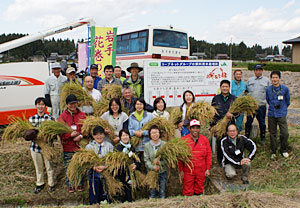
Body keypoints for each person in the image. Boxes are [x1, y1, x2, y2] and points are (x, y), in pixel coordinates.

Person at [57, 94, 86, 193]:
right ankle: (70, 184)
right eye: (71, 104)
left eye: (75, 103)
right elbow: (60, 133)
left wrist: (81, 136)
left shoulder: (82, 115)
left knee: (79, 165)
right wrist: (70, 135)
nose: (73, 105)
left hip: (79, 146)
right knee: (68, 166)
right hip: (68, 147)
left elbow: (86, 129)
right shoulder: (62, 117)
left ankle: (79, 183)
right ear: (67, 105)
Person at [27, 97, 55, 193]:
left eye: (42, 104)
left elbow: (54, 134)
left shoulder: (50, 119)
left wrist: (48, 137)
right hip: (35, 148)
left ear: (45, 106)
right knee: (38, 167)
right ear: (36, 106)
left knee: (49, 166)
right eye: (39, 104)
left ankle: (51, 184)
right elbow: (26, 135)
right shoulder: (31, 119)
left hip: (47, 147)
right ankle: (40, 184)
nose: (40, 106)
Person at [178, 119, 212, 196]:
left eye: (197, 128)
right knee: (187, 190)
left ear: (199, 129)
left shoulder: (204, 140)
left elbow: (209, 154)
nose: (195, 130)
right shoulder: (184, 140)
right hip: (188, 170)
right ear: (189, 129)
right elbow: (180, 157)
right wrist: (181, 170)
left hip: (201, 169)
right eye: (193, 128)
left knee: (199, 189)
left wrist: (208, 169)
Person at [211, 80, 237, 165]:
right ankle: (220, 161)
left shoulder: (234, 98)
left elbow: (238, 112)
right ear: (220, 87)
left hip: (230, 125)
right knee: (220, 143)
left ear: (229, 87)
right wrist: (212, 126)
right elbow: (212, 113)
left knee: (230, 142)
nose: (225, 88)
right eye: (223, 86)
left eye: (226, 86)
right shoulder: (216, 98)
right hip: (219, 125)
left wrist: (232, 114)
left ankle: (231, 160)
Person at [86, 126, 113, 205]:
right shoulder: (89, 147)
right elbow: (87, 162)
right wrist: (94, 167)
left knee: (106, 190)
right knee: (94, 185)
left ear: (104, 135)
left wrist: (105, 167)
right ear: (93, 136)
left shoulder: (109, 146)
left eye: (101, 134)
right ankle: (94, 204)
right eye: (96, 135)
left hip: (106, 171)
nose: (99, 136)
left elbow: (112, 160)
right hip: (94, 171)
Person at [266, 71, 290, 158]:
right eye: (273, 77)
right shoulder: (268, 89)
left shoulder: (285, 89)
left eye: (276, 77)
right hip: (272, 113)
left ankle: (283, 149)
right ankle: (273, 151)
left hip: (281, 113)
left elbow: (287, 101)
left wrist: (282, 108)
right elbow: (268, 100)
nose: (274, 79)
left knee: (285, 133)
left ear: (279, 78)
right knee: (272, 133)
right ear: (271, 78)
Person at [245, 64, 271, 143]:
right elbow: (247, 93)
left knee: (262, 123)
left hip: (261, 106)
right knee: (248, 122)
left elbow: (269, 93)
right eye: (256, 70)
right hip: (251, 106)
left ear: (262, 71)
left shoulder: (266, 81)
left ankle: (262, 138)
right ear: (254, 71)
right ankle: (246, 138)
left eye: (260, 70)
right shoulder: (250, 80)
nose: (258, 72)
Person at [115, 129, 138, 202]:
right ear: (120, 137)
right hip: (121, 172)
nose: (125, 137)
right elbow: (116, 162)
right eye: (123, 135)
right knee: (123, 188)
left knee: (130, 188)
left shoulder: (132, 147)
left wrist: (135, 165)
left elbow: (136, 159)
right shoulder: (118, 148)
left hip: (131, 172)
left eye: (127, 135)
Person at [144, 125, 167, 198]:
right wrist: (153, 167)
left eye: (156, 132)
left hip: (162, 171)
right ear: (150, 135)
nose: (155, 134)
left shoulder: (164, 144)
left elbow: (167, 159)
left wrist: (160, 164)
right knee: (152, 192)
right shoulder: (147, 145)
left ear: (159, 133)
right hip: (151, 171)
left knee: (162, 191)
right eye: (152, 133)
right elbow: (146, 160)